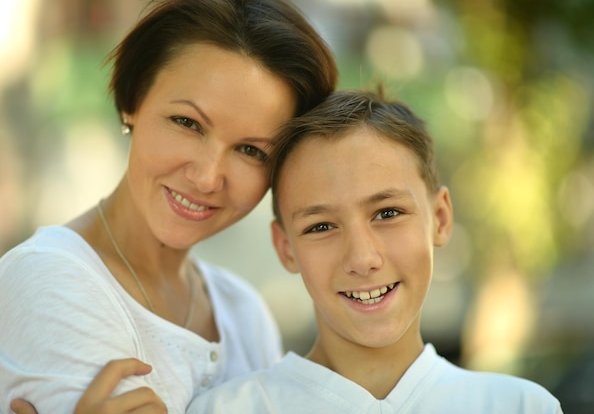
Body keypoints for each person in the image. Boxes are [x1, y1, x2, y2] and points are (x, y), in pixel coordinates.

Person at [0, 0, 337, 413]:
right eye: (187, 123)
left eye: (251, 150)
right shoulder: (49, 284)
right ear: (133, 100)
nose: (207, 177)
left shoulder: (244, 314)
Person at [185, 89, 564, 413]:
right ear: (285, 247)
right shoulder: (226, 409)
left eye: (388, 213)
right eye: (320, 226)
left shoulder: (520, 406)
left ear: (440, 218)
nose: (363, 259)